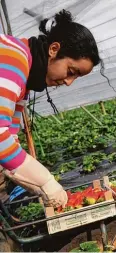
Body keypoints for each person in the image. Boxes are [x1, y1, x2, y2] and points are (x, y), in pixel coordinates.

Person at [0, 9, 101, 207]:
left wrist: (35, 183)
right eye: (71, 71)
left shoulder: (24, 84)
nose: (69, 82)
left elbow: (10, 137)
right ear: (53, 49)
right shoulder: (12, 57)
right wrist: (45, 181)